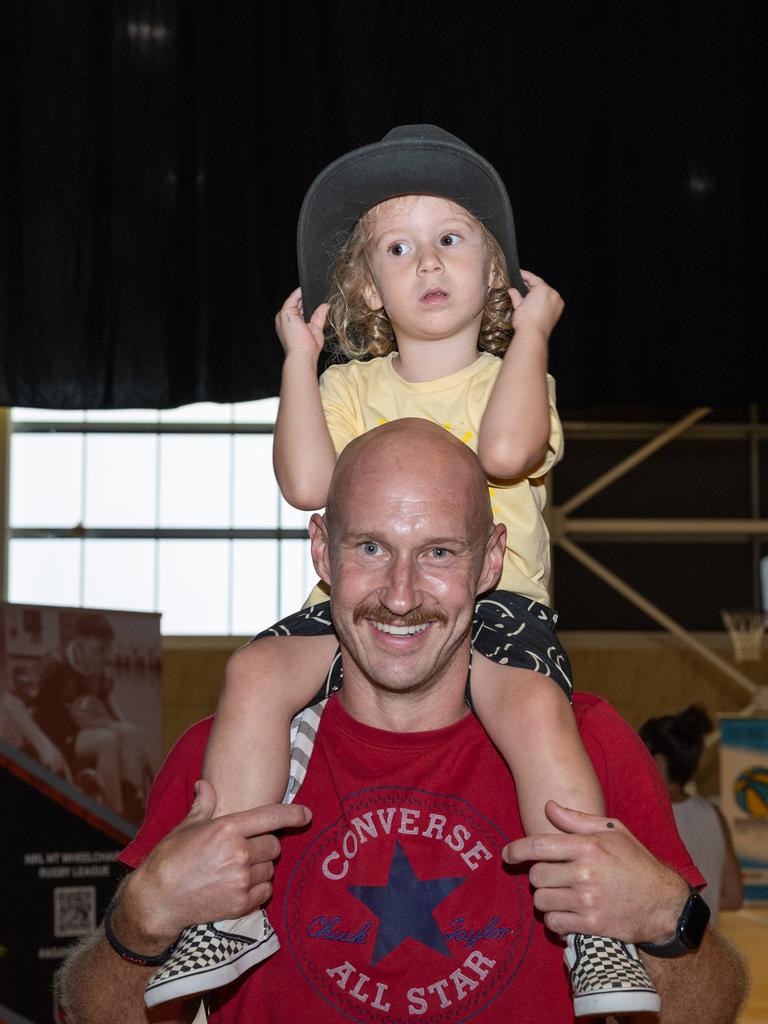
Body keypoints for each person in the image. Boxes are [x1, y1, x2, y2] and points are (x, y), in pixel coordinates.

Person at [151, 124, 647, 1017]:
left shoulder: (509, 374)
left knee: (535, 709)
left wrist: (533, 331)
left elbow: (506, 452)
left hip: (496, 613)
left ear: (496, 272)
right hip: (352, 610)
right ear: (367, 286)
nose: (427, 260)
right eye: (397, 245)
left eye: (451, 238)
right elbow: (306, 482)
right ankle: (219, 901)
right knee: (255, 672)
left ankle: (597, 931)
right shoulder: (350, 386)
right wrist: (301, 362)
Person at [57, 421, 748, 1024]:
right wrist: (140, 918)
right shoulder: (222, 753)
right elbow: (88, 1008)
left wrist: (667, 919)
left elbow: (708, 1009)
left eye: (440, 552)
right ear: (322, 550)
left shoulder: (589, 744)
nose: (401, 594)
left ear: (492, 559)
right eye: (371, 548)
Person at [32, 612, 146, 820]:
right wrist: (43, 745)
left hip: (84, 735)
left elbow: (117, 717)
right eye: (99, 649)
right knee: (107, 740)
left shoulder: (99, 672)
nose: (105, 656)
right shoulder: (55, 665)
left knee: (129, 733)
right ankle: (113, 816)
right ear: (80, 641)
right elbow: (22, 706)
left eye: (107, 649)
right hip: (56, 739)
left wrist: (126, 731)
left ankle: (132, 805)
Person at [640, 705, 743, 923]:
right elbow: (733, 897)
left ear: (659, 762)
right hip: (706, 950)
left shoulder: (644, 812)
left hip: (656, 953)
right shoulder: (713, 815)